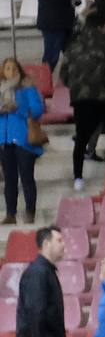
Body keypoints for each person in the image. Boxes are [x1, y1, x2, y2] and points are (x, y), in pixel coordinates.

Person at [61, 12, 105, 192]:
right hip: (103, 96)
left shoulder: (72, 47)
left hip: (81, 98)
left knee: (81, 137)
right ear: (100, 27)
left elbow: (63, 76)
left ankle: (78, 178)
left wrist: (76, 87)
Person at [15, 226, 64, 337]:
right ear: (46, 244)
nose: (63, 245)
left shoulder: (45, 271)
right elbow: (35, 309)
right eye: (59, 240)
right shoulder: (38, 272)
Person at [0, 56, 44, 225]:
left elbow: (38, 109)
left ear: (19, 70)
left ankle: (30, 211)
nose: (10, 71)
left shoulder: (27, 88)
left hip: (23, 139)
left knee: (26, 176)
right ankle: (10, 214)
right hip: (4, 140)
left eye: (14, 68)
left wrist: (19, 108)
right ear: (3, 71)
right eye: (7, 68)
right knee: (9, 178)